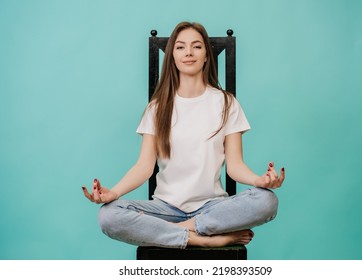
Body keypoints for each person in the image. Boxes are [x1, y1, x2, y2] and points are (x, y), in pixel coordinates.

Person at [82, 21, 285, 248]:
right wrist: (114, 193)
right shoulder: (156, 108)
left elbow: (235, 166)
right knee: (108, 216)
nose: (188, 52)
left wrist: (260, 181)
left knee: (267, 200)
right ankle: (205, 241)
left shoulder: (227, 103)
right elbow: (144, 167)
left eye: (196, 46)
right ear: (172, 57)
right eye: (180, 47)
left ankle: (179, 231)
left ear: (207, 55)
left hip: (212, 207)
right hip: (165, 209)